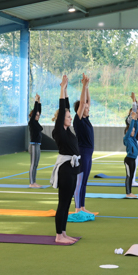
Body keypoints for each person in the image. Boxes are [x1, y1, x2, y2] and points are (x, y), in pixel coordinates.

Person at [49, 75, 81, 244]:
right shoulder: (59, 131)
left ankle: (64, 233)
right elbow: (63, 108)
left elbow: (66, 107)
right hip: (65, 170)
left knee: (68, 202)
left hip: (72, 169)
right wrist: (62, 88)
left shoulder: (67, 130)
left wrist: (66, 89)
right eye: (68, 117)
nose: (70, 118)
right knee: (63, 203)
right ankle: (58, 236)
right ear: (62, 119)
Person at [73, 74, 95, 214]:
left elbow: (87, 101)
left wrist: (87, 87)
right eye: (86, 108)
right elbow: (82, 103)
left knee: (85, 180)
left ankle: (82, 207)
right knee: (80, 181)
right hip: (83, 152)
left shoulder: (86, 119)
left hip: (88, 153)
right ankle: (77, 208)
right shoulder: (78, 120)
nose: (88, 108)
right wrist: (83, 86)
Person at [123, 104, 138, 199]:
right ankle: (128, 193)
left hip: (133, 159)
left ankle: (130, 192)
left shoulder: (133, 138)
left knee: (131, 176)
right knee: (129, 176)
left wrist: (136, 119)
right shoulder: (126, 138)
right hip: (128, 159)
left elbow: (136, 128)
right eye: (132, 131)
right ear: (127, 132)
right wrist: (133, 119)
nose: (133, 132)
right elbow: (131, 127)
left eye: (134, 131)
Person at [28, 94, 43, 188]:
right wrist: (36, 101)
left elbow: (38, 111)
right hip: (33, 145)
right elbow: (35, 111)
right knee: (33, 164)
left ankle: (34, 182)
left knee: (36, 164)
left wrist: (39, 101)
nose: (38, 116)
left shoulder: (36, 123)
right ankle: (31, 183)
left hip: (37, 145)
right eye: (36, 115)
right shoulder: (32, 122)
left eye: (38, 115)